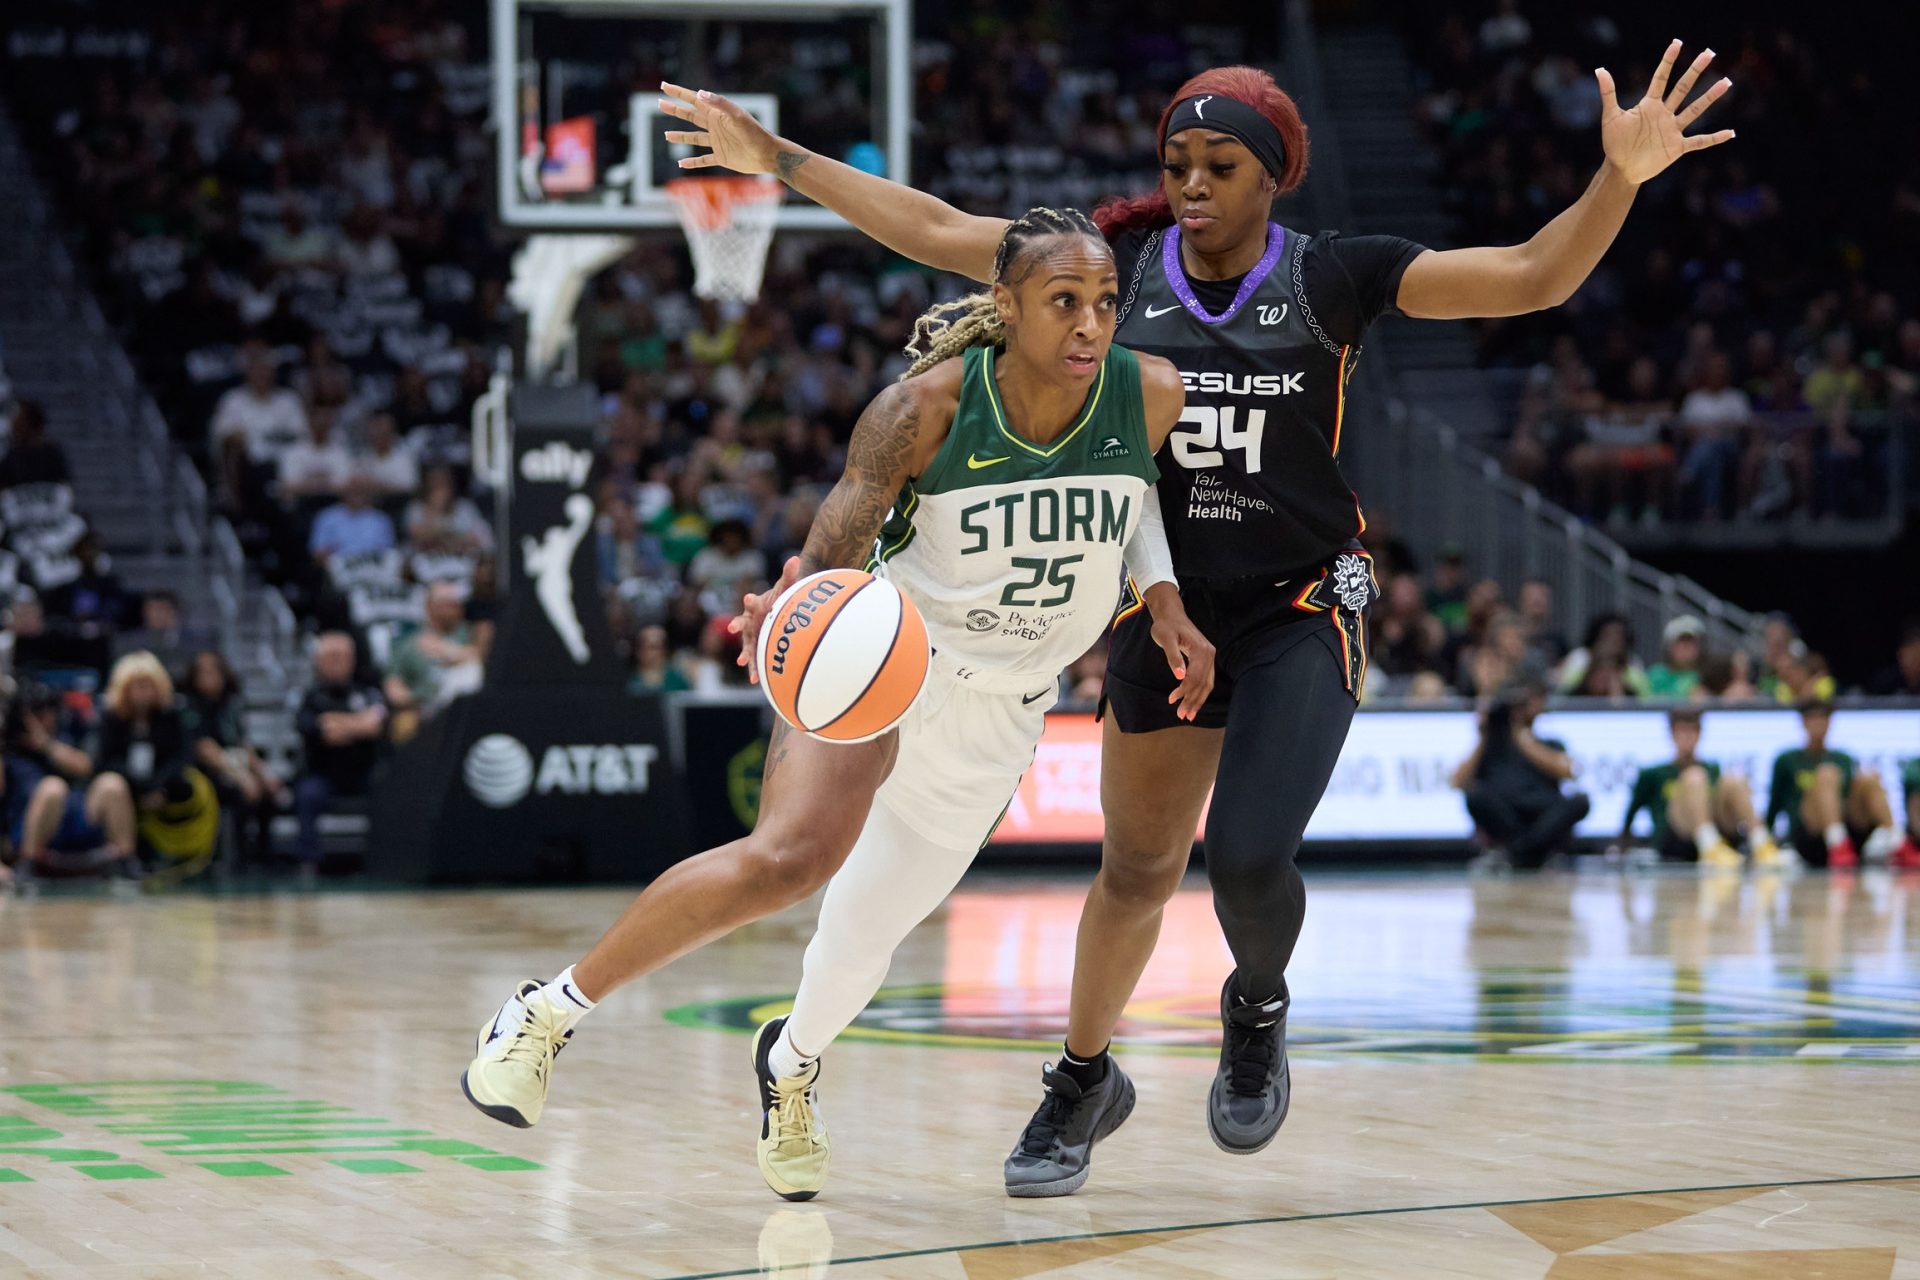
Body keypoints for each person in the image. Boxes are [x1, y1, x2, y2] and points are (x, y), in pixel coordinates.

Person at [658, 36, 1735, 1190]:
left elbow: (1530, 275)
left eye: (1223, 164)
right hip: (1165, 604)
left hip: (1299, 602)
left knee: (1248, 856)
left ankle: (1256, 1004)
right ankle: (1081, 1082)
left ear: (1274, 176)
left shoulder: (1335, 278)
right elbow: (929, 227)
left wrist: (1617, 177)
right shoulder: (1107, 269)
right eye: (1179, 162)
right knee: (1134, 869)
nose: (1194, 184)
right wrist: (778, 158)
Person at [462, 209, 1195, 1203]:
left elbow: (1135, 489)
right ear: (1009, 305)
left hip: (1008, 706)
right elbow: (839, 536)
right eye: (1064, 301)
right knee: (790, 859)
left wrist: (1162, 595)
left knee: (865, 932)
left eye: (1106, 303)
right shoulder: (924, 408)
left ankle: (792, 1062)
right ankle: (545, 1013)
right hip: (888, 657)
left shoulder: (1149, 391)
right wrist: (795, 596)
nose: (1091, 324)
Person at [93, 651, 220, 869]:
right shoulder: (111, 718)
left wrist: (159, 788)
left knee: (189, 785)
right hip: (127, 788)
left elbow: (181, 757)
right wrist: (140, 789)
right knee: (113, 787)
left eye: (147, 684)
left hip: (163, 788)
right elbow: (105, 761)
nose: (142, 691)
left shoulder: (172, 716)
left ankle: (182, 857)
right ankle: (126, 858)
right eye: (136, 685)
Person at [3, 682, 136, 884]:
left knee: (112, 783)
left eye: (49, 709)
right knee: (52, 788)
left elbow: (85, 766)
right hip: (31, 825)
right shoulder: (9, 749)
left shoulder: (66, 734)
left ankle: (126, 864)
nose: (47, 716)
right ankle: (27, 867)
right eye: (38, 711)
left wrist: (46, 744)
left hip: (76, 820)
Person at [1451, 682, 1590, 872]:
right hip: (1507, 814)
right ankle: (1529, 852)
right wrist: (1484, 733)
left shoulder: (1548, 742)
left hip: (1541, 811)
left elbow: (1569, 771)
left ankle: (1520, 852)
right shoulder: (1490, 745)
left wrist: (1522, 737)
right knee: (1475, 795)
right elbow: (1457, 782)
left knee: (1580, 801)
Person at [1618, 708, 1778, 869]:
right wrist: (1622, 850)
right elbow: (1631, 812)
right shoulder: (1653, 774)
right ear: (1672, 734)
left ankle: (1761, 843)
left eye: (1692, 730)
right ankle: (1709, 847)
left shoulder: (1713, 769)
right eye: (1682, 731)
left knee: (1734, 779)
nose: (1687, 737)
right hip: (1675, 838)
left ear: (1700, 734)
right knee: (1694, 777)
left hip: (1719, 833)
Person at [1765, 700, 1903, 869]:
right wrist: (1767, 839)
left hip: (1848, 829)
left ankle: (1898, 842)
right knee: (1826, 774)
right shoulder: (1786, 760)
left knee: (1869, 777)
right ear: (1802, 722)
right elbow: (1774, 802)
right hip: (1809, 834)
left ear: (1830, 722)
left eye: (1822, 718)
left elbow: (1850, 797)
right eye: (1812, 718)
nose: (1817, 723)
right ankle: (1836, 841)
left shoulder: (1844, 758)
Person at [181, 649, 287, 863]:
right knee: (241, 793)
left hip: (235, 766)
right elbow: (206, 750)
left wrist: (264, 773)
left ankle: (264, 853)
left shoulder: (231, 704)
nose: (209, 677)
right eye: (204, 672)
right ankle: (240, 857)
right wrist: (242, 778)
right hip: (205, 773)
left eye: (214, 671)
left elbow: (243, 744)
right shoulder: (190, 706)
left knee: (268, 792)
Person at [293, 633, 388, 871]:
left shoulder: (367, 691)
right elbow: (319, 730)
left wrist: (337, 723)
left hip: (363, 772)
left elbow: (376, 726)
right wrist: (358, 725)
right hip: (324, 774)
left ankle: (383, 857)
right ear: (319, 661)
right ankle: (309, 860)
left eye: (342, 656)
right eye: (331, 656)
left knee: (391, 787)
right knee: (307, 794)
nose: (337, 662)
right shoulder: (310, 696)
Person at [1647, 615, 1706, 699]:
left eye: (1691, 643)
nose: (1686, 648)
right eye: (1680, 643)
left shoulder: (1707, 676)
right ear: (1669, 647)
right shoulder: (1655, 674)